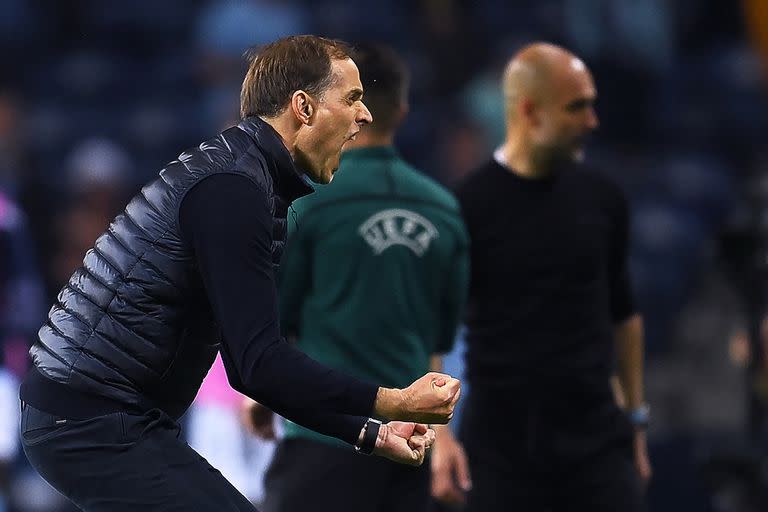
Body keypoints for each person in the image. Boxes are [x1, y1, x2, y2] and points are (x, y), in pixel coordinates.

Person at [18, 35, 461, 512]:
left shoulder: (247, 180)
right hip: (89, 419)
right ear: (303, 107)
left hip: (97, 416)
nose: (366, 115)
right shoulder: (234, 191)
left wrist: (367, 433)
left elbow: (253, 367)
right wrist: (387, 401)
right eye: (352, 98)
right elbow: (260, 365)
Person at [241, 43, 471, 512]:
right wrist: (442, 439)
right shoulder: (445, 211)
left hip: (323, 439)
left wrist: (262, 399)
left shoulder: (307, 200)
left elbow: (277, 322)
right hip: (410, 449)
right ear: (402, 111)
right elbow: (438, 342)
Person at [455, 42, 651, 511]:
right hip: (501, 451)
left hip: (596, 445)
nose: (593, 121)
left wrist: (637, 421)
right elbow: (432, 328)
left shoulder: (604, 198)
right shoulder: (467, 206)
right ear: (529, 111)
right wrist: (441, 439)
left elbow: (624, 317)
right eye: (577, 107)